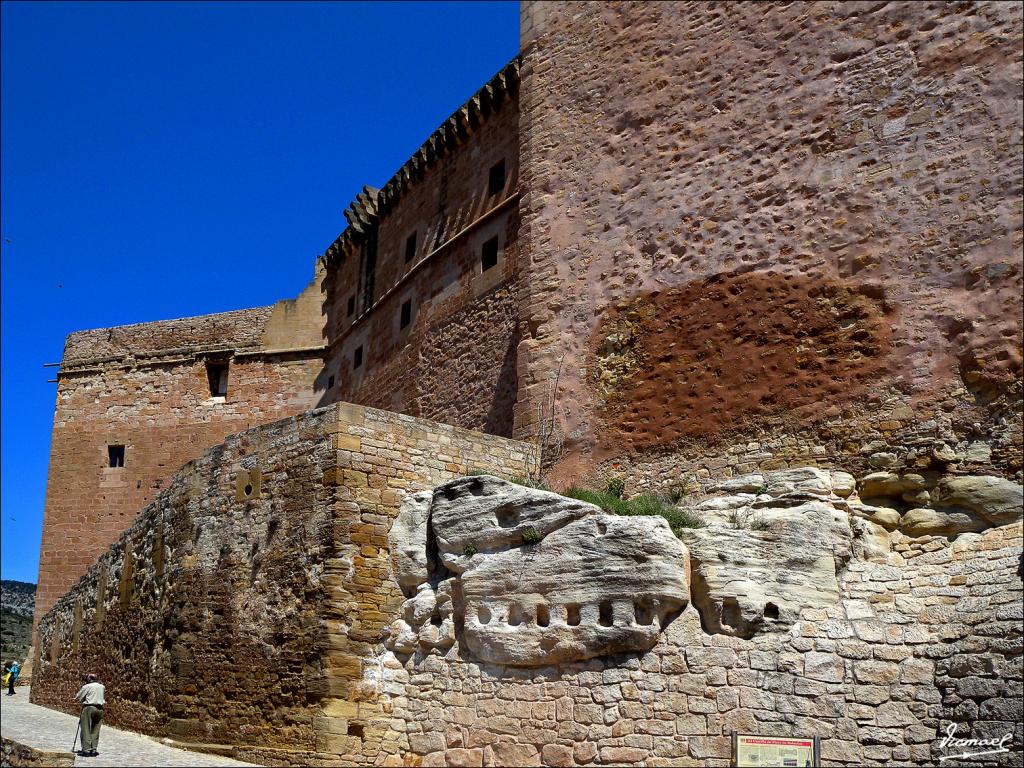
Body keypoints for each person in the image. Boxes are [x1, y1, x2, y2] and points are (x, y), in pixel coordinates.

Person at [74, 673, 106, 757]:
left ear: (89, 679)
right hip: (100, 709)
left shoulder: (87, 687)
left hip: (89, 708)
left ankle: (86, 750)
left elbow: (78, 697)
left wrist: (82, 697)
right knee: (96, 729)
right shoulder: (102, 687)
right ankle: (93, 749)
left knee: (85, 728)